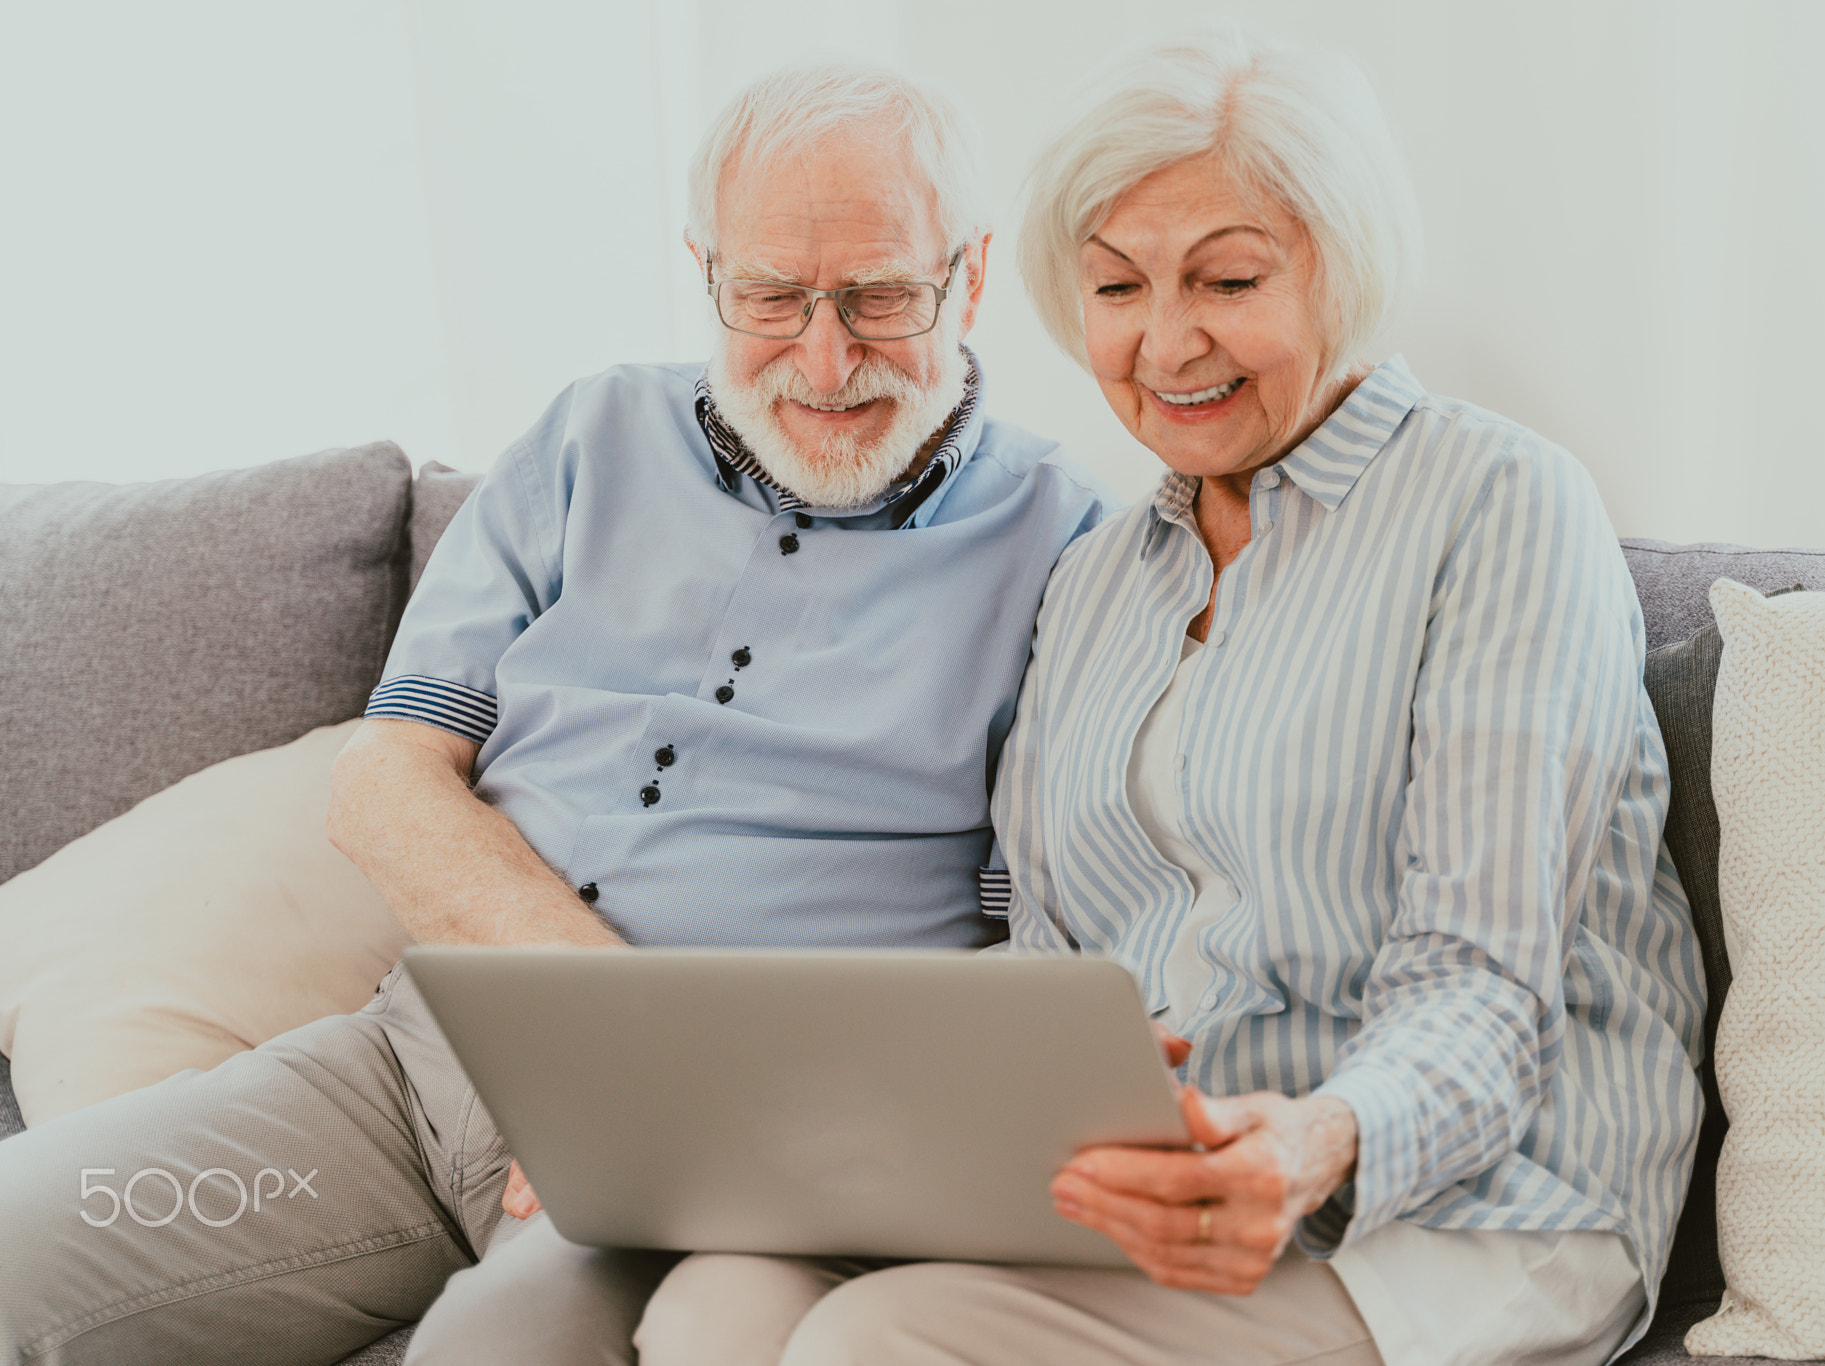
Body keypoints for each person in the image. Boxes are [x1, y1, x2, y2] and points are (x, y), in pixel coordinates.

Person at [0, 65, 1111, 1366]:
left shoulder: (1065, 541)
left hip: (711, 1162)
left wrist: (664, 1105)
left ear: (968, 281)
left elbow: (1026, 954)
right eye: (769, 297)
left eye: (877, 297)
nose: (823, 357)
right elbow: (386, 777)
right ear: (706, 275)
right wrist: (592, 1033)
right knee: (22, 1250)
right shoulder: (593, 434)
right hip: (424, 1059)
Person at [630, 28, 1707, 1366]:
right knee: (714, 1300)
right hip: (1144, 1203)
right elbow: (1047, 968)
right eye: (1117, 286)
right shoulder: (1093, 583)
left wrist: (1315, 1138)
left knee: (877, 1339)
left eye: (1230, 277)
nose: (1167, 340)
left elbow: (1483, 986)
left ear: (1342, 265)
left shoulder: (1498, 507)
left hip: (1467, 1219)